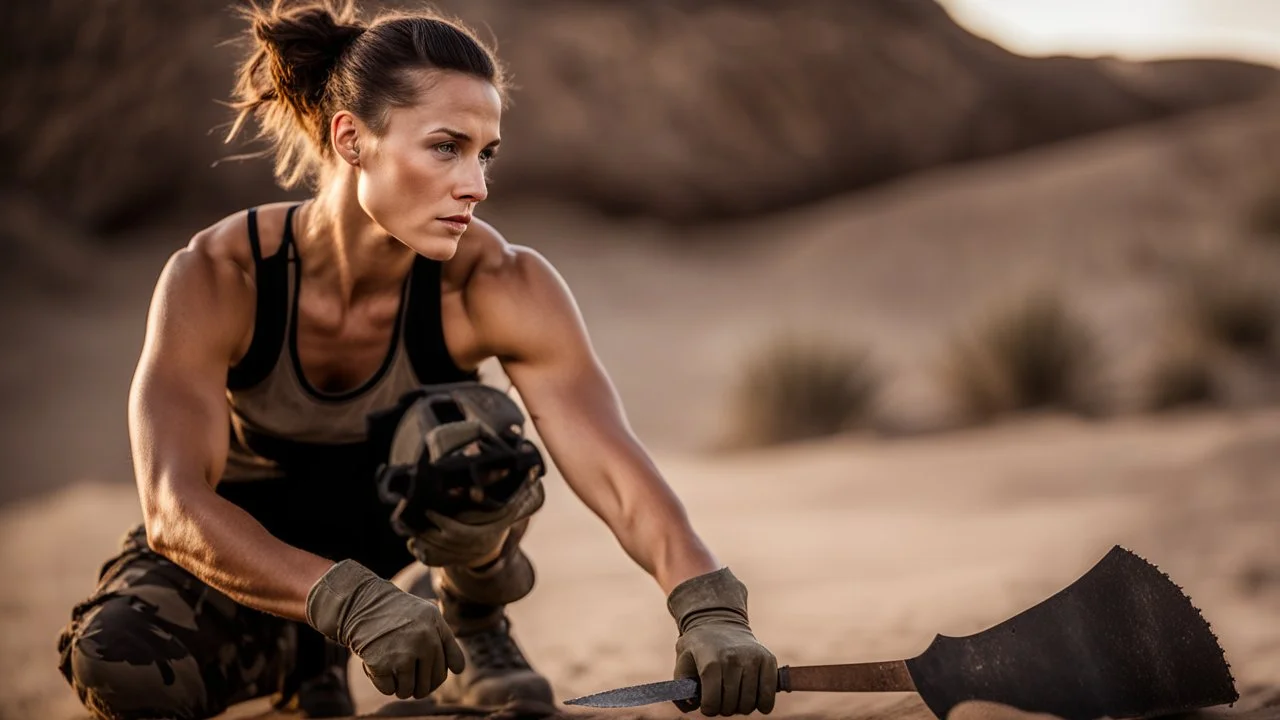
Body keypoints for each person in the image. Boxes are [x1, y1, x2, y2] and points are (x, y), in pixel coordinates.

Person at [55, 2, 778, 718]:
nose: (476, 185)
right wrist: (348, 605)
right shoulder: (221, 276)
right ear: (351, 138)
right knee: (116, 662)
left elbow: (614, 467)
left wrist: (708, 609)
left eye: (484, 154)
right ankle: (302, 661)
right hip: (258, 556)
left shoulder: (497, 281)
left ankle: (470, 620)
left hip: (396, 536)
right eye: (446, 146)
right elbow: (174, 507)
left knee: (478, 434)